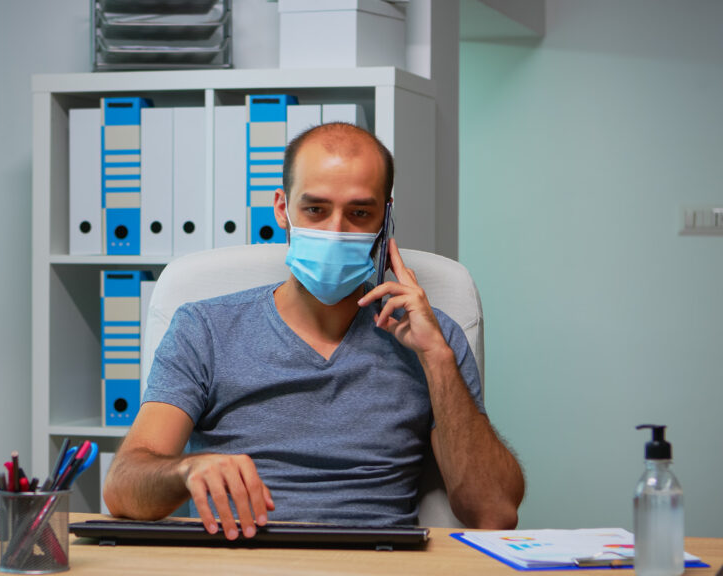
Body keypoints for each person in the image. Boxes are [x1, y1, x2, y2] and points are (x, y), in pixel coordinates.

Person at [103, 122, 524, 540]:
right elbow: (123, 489)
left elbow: (495, 512)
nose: (335, 231)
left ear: (386, 217)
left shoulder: (433, 337)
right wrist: (186, 469)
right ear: (283, 209)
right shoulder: (204, 329)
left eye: (359, 213)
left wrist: (436, 358)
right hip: (241, 562)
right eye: (315, 210)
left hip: (375, 566)